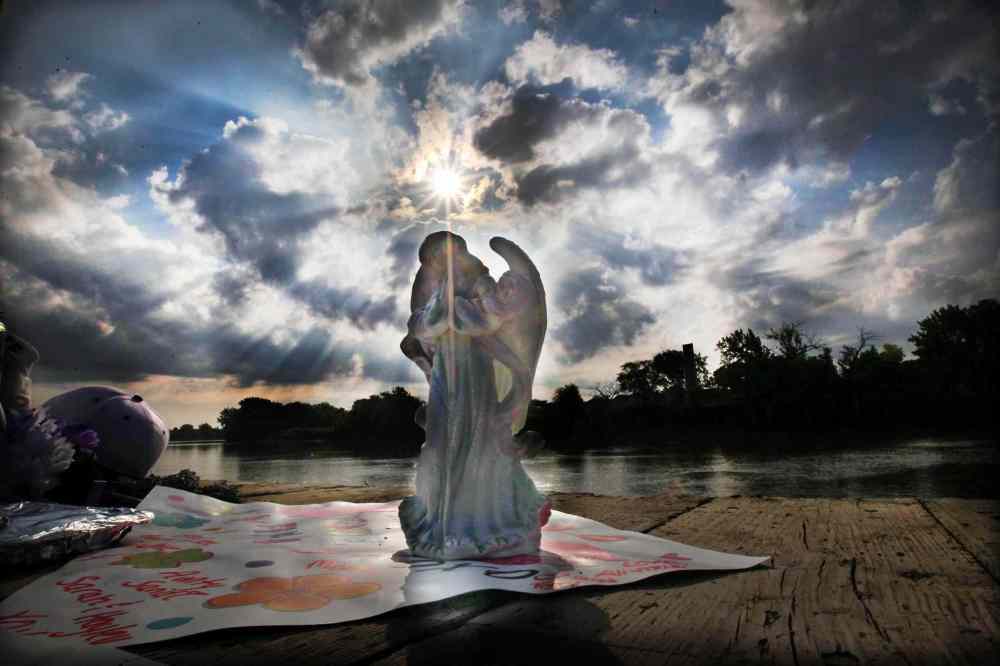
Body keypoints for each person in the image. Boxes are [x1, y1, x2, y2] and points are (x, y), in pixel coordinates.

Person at [398, 232, 550, 560]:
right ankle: (444, 517)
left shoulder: (482, 285)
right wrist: (443, 314)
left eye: (442, 256)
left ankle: (483, 522)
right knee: (441, 441)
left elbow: (489, 317)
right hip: (445, 375)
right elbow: (423, 325)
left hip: (475, 373)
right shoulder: (440, 294)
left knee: (478, 439)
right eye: (434, 261)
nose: (440, 265)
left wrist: (456, 313)